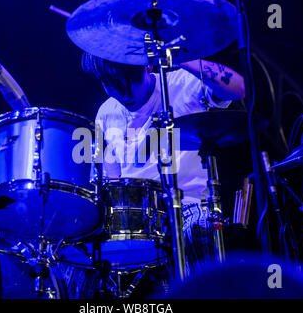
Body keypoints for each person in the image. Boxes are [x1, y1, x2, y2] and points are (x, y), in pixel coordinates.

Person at [82, 52, 245, 275]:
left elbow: (238, 88)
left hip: (191, 210)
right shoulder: (105, 113)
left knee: (194, 236)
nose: (122, 94)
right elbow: (112, 181)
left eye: (128, 83)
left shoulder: (181, 85)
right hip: (139, 223)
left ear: (146, 67)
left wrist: (176, 56)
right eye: (110, 85)